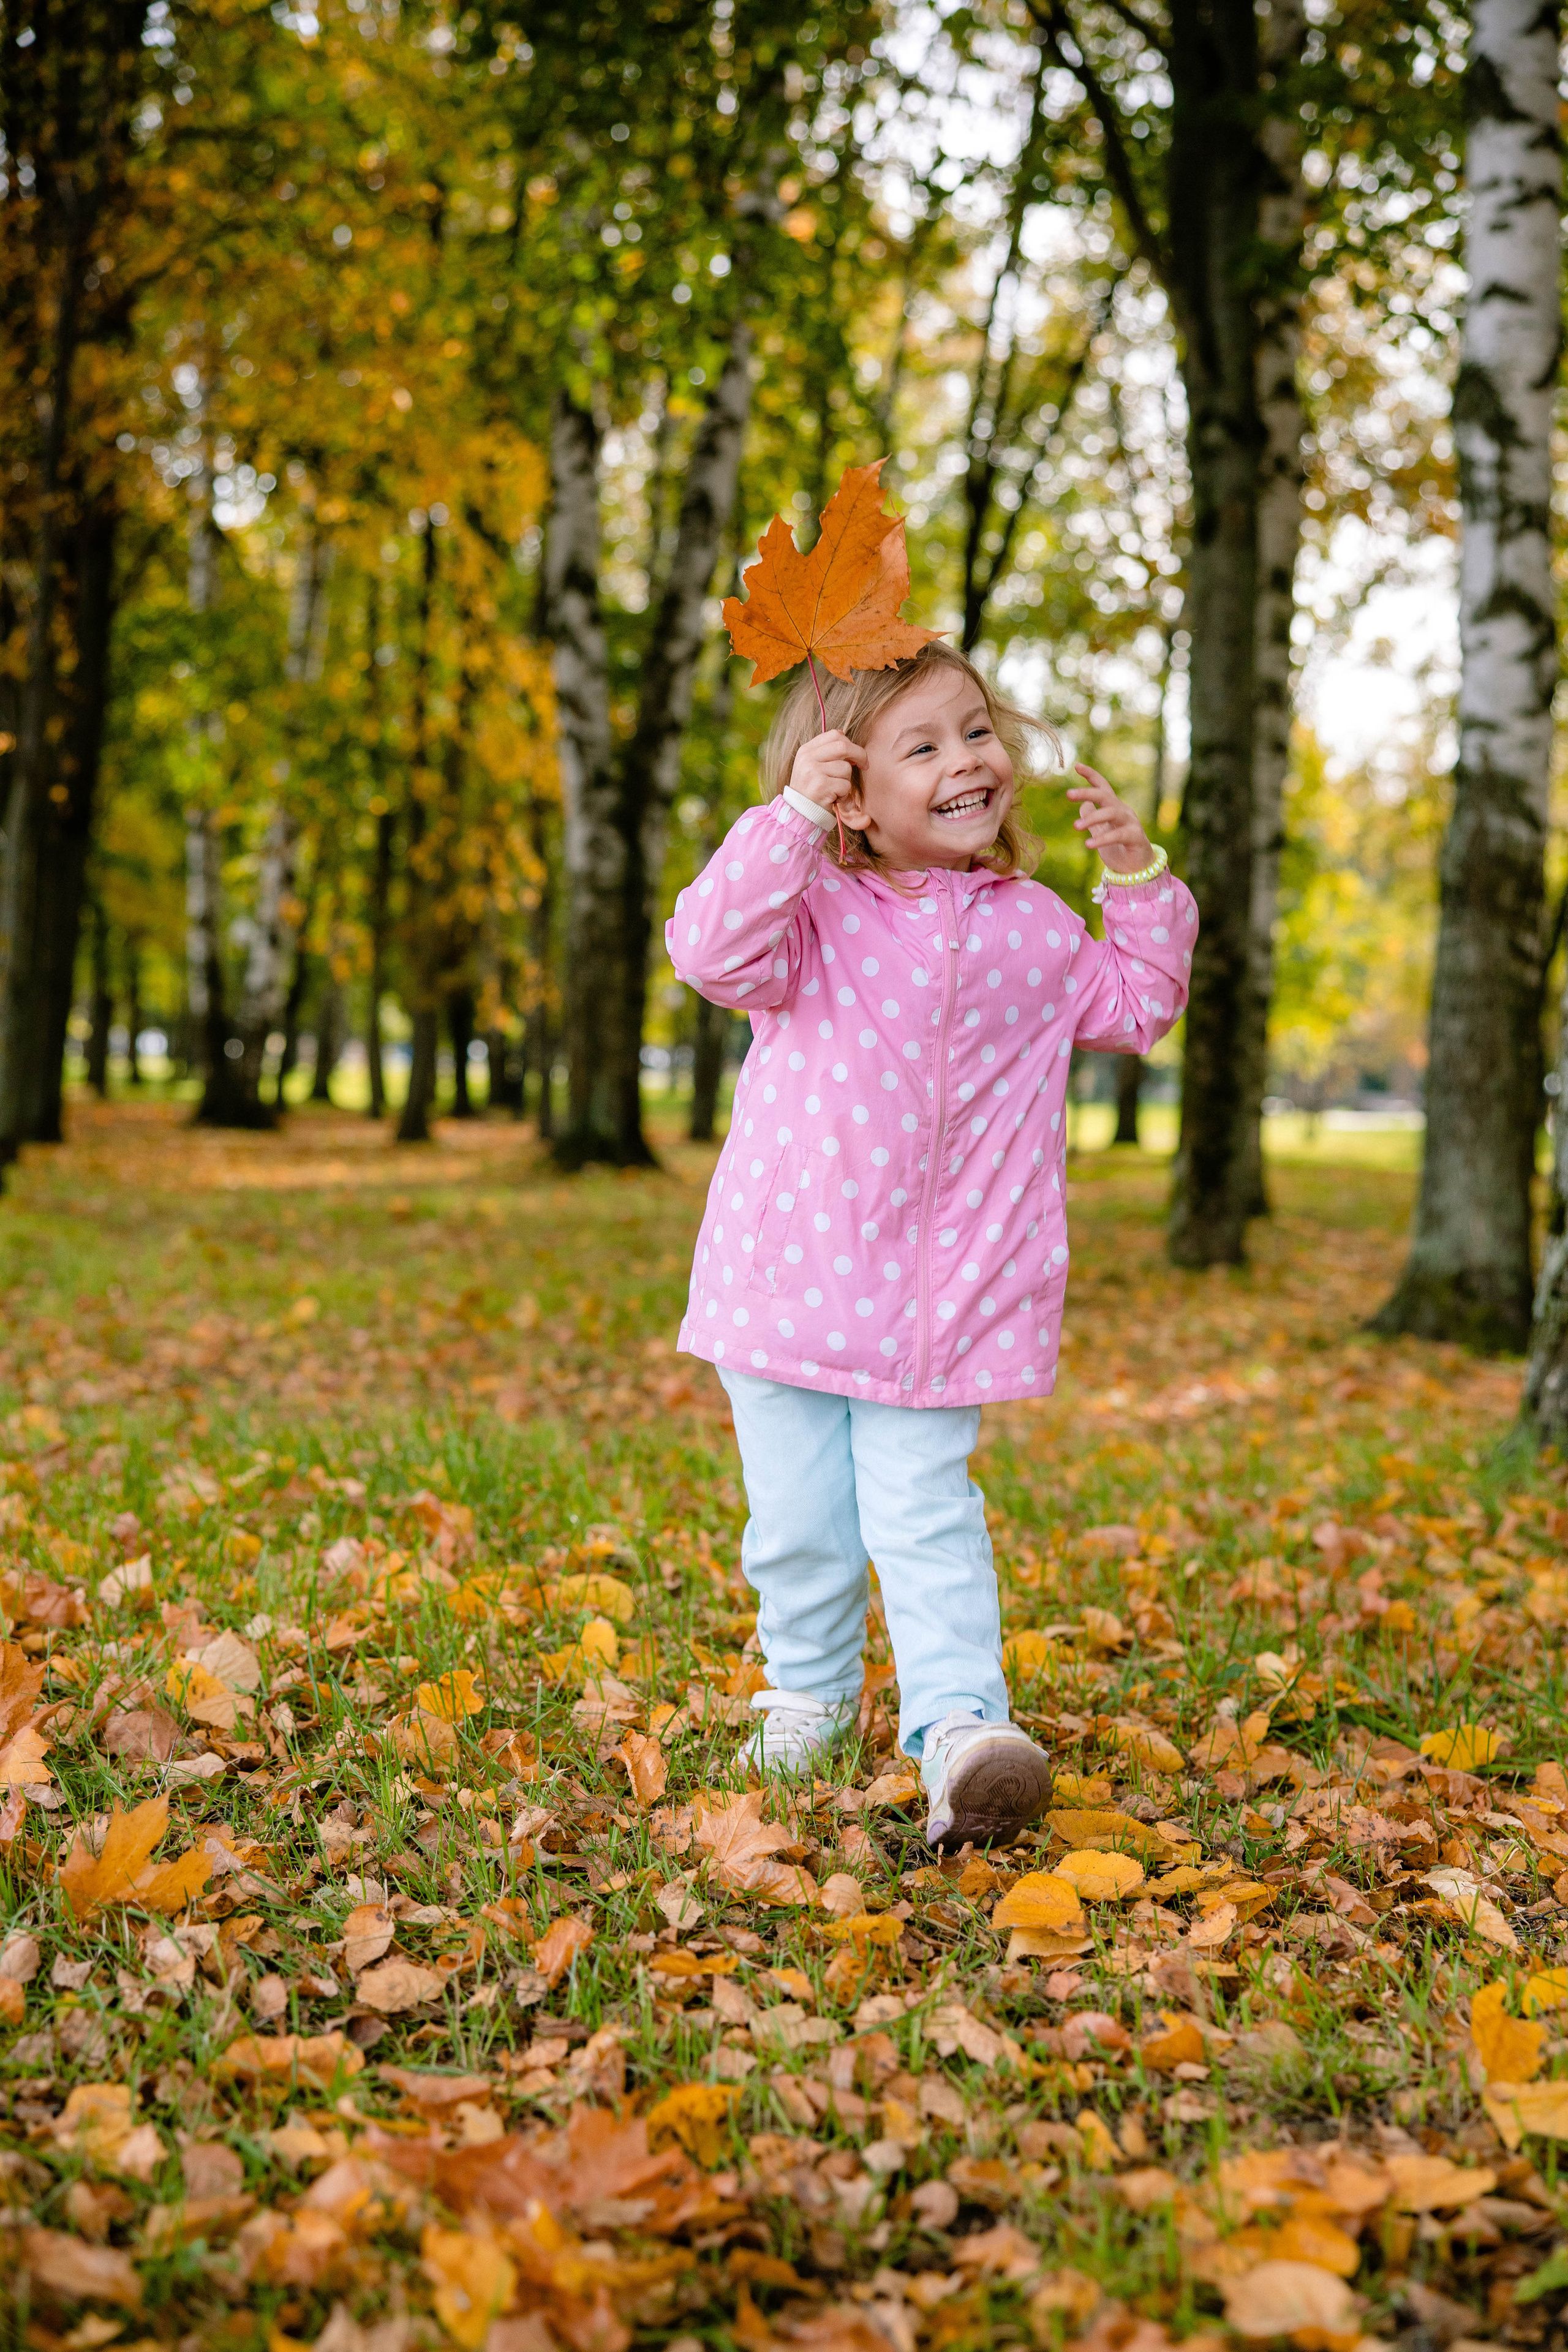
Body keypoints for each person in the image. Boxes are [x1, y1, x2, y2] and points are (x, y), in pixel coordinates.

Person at [666, 643, 1197, 1848]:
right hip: (788, 1280)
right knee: (798, 1522)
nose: (967, 760)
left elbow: (1137, 1006)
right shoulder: (807, 910)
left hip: (942, 1300)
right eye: (924, 745)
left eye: (976, 732)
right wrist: (789, 822)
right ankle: (805, 1698)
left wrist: (1137, 879)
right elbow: (707, 951)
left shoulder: (1035, 929)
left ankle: (961, 1727)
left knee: (925, 1515)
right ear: (852, 792)